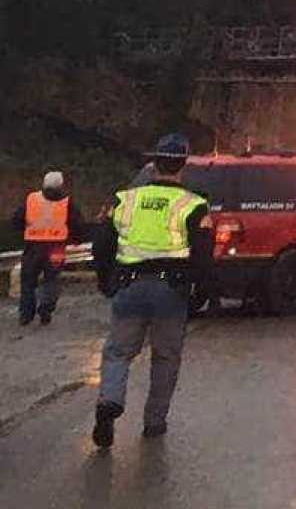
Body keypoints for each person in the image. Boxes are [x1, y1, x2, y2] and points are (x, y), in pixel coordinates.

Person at [91, 134, 212, 448]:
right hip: (170, 291)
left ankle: (110, 401)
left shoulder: (123, 199)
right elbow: (203, 253)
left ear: (153, 163)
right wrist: (201, 290)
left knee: (117, 352)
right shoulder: (194, 204)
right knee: (166, 357)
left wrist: (105, 280)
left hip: (128, 286)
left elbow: (101, 244)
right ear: (182, 165)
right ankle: (154, 423)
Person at [14, 171, 74, 326]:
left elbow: (17, 220)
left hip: (33, 246)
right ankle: (46, 309)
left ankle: (26, 315)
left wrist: (24, 233)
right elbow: (76, 224)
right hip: (56, 247)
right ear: (61, 185)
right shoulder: (67, 202)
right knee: (52, 280)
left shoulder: (31, 199)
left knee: (28, 281)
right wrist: (74, 239)